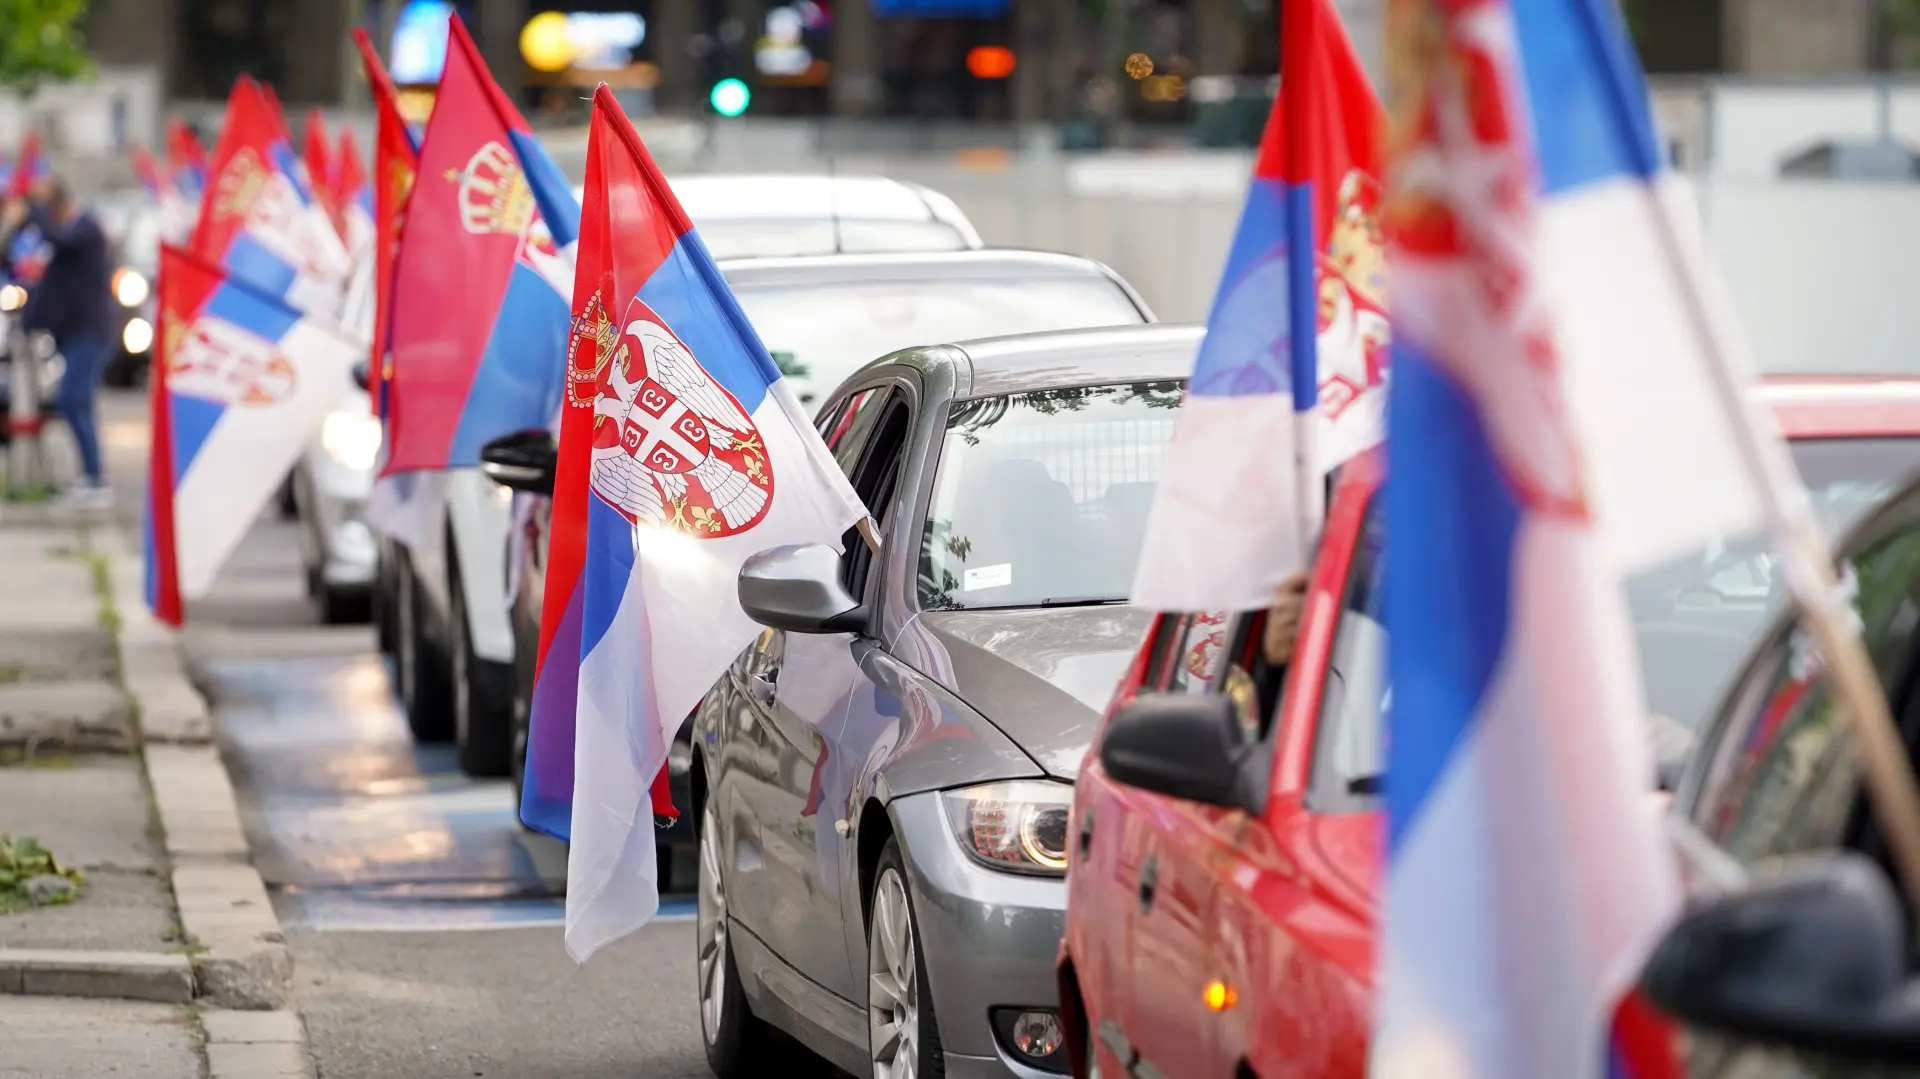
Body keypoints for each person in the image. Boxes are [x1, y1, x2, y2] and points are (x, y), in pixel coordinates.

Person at [2, 174, 116, 506]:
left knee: (72, 400)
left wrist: (34, 210)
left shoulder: (85, 229)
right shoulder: (59, 237)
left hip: (90, 334)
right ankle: (90, 478)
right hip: (70, 334)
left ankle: (95, 479)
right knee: (76, 403)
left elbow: (59, 240)